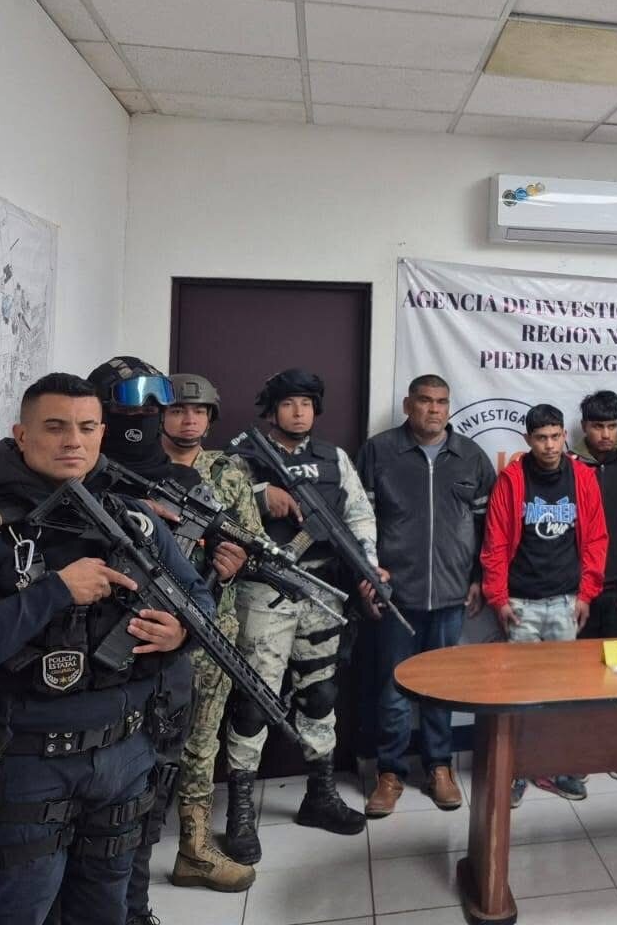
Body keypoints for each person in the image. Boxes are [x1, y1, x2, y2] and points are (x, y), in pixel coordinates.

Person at [0, 373, 210, 925]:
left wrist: (180, 632)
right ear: (22, 435)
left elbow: (199, 600)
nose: (73, 440)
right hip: (27, 765)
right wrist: (54, 593)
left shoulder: (135, 520)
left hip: (125, 756)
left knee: (105, 910)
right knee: (18, 911)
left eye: (87, 427)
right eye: (55, 427)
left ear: (102, 435)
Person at [86, 357, 249, 925]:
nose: (159, 415)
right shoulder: (83, 479)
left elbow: (199, 584)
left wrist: (217, 580)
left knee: (150, 795)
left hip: (169, 663)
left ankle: (144, 902)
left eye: (169, 403)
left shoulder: (193, 485)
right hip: (92, 678)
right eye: (170, 407)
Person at [224, 368, 381, 857]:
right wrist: (258, 495)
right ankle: (240, 811)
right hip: (264, 590)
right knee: (254, 700)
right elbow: (211, 506)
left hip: (322, 591)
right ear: (272, 410)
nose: (299, 412)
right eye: (289, 403)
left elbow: (359, 514)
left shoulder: (334, 459)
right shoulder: (242, 457)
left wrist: (369, 566)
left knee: (320, 693)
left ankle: (320, 794)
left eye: (307, 404)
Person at [356, 374, 496, 817]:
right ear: (407, 405)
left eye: (441, 402)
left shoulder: (470, 457)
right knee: (393, 688)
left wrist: (478, 577)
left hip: (452, 595)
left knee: (441, 686)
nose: (434, 409)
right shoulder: (379, 451)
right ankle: (390, 772)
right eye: (425, 401)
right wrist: (366, 575)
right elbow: (357, 520)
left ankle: (439, 767)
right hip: (396, 595)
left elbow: (487, 525)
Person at [158, 372, 260, 893]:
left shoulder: (229, 472)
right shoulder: (136, 469)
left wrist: (236, 562)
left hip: (211, 628)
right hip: (145, 626)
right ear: (160, 415)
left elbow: (254, 543)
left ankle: (193, 849)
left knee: (200, 743)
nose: (189, 420)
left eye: (199, 411)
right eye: (178, 410)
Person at [481, 403, 607, 805]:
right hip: (521, 601)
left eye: (555, 437)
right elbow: (495, 543)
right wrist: (498, 597)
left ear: (564, 436)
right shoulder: (512, 480)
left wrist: (586, 593)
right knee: (520, 690)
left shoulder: (582, 477)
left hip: (566, 599)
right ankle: (517, 770)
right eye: (541, 438)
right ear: (528, 440)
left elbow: (596, 539)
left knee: (563, 690)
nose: (550, 445)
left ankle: (556, 766)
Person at [572, 389, 617, 641]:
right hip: (577, 588)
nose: (606, 434)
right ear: (584, 426)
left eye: (612, 426)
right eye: (598, 426)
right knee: (577, 660)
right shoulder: (568, 464)